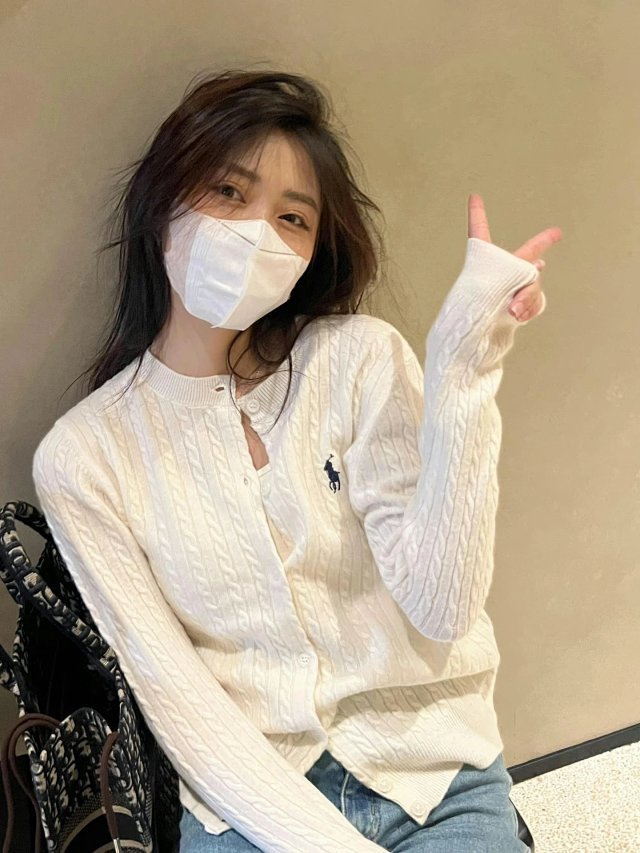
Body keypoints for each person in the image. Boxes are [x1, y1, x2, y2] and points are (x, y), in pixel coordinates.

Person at [32, 69, 562, 852]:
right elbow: (182, 705)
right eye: (227, 191)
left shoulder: (359, 359)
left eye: (292, 217)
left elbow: (442, 607)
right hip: (252, 800)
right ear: (161, 201)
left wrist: (463, 373)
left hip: (430, 767)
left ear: (312, 250)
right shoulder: (83, 457)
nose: (258, 234)